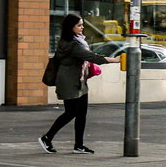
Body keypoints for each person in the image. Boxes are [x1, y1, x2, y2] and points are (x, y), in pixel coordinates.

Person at [38, 14, 120, 154]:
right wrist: (113, 60)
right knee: (70, 113)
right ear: (71, 27)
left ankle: (79, 145)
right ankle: (47, 138)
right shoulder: (73, 45)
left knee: (81, 113)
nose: (82, 28)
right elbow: (91, 57)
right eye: (79, 25)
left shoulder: (74, 41)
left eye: (82, 25)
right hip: (69, 82)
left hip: (79, 81)